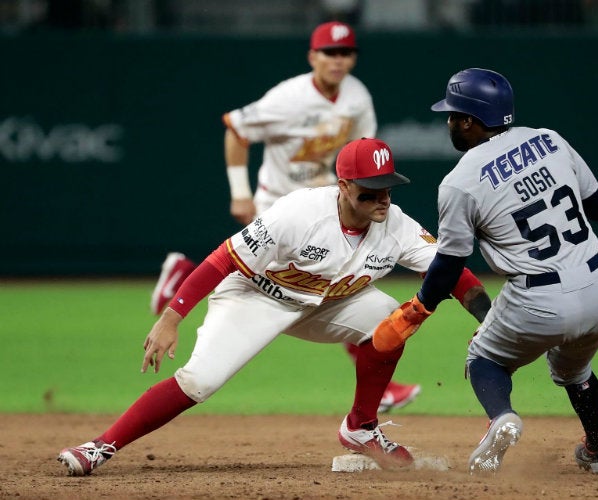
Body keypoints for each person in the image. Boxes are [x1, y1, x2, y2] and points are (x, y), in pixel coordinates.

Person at [57, 138, 492, 476]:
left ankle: (360, 427)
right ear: (343, 187)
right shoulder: (298, 213)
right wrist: (173, 316)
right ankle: (100, 447)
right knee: (199, 382)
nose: (382, 199)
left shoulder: (394, 225)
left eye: (388, 189)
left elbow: (452, 272)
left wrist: (488, 320)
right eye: (370, 191)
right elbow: (222, 259)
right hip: (254, 299)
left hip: (328, 304)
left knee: (389, 320)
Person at [149, 20, 421, 412]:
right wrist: (240, 191)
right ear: (313, 56)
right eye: (329, 52)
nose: (338, 60)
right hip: (280, 203)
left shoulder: (357, 96)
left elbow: (362, 152)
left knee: (331, 282)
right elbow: (235, 129)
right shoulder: (287, 98)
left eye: (346, 53)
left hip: (329, 202)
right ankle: (183, 280)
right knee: (291, 282)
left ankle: (180, 274)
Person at [372, 68, 598, 474]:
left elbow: (451, 262)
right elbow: (597, 204)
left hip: (539, 298)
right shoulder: (550, 140)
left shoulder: (460, 182)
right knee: (574, 370)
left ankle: (502, 417)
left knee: (484, 357)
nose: (449, 122)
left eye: (454, 114)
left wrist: (419, 307)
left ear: (470, 122)